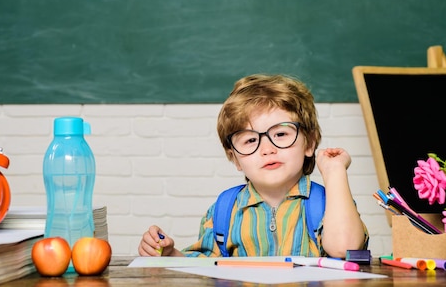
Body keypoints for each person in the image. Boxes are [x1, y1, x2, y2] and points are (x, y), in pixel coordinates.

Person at [138, 74, 368, 258]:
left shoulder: (332, 204)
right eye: (250, 140)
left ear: (309, 142)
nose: (267, 148)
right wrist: (170, 255)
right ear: (235, 158)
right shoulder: (223, 211)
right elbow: (204, 267)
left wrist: (335, 171)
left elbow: (345, 248)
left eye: (280, 133)